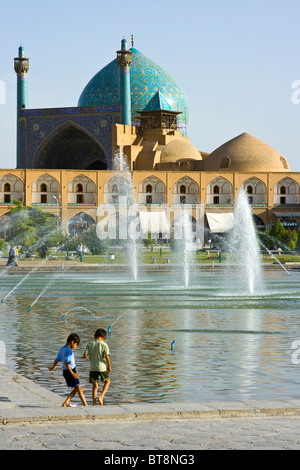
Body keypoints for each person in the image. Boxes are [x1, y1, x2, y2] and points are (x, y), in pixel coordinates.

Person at [49, 333, 88, 407]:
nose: (75, 347)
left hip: (65, 371)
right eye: (76, 344)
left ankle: (67, 402)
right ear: (72, 342)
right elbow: (67, 363)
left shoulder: (62, 348)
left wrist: (53, 367)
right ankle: (85, 405)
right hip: (70, 370)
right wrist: (72, 373)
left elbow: (57, 359)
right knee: (78, 387)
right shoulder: (69, 351)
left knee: (78, 388)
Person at [82, 328, 111, 406]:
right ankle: (101, 397)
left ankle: (94, 404)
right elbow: (107, 357)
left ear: (95, 336)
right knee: (107, 381)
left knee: (95, 386)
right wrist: (109, 366)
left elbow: (85, 355)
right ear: (104, 337)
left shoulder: (89, 344)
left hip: (93, 368)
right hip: (102, 367)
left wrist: (84, 357)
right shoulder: (104, 345)